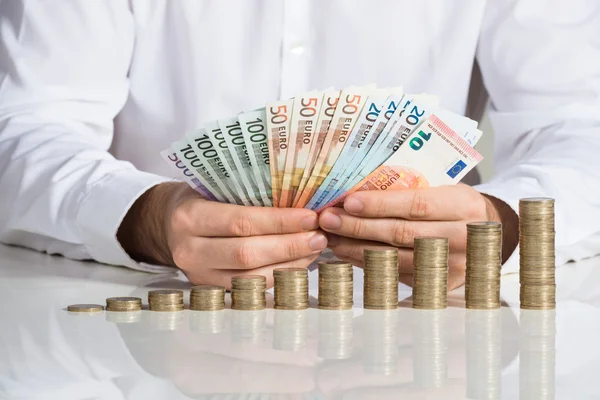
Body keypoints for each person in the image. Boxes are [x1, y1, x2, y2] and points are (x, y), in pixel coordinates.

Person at [1, 0, 599, 289]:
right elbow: (24, 126)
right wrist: (141, 218)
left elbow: (580, 123)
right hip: (134, 312)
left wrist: (504, 224)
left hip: (418, 323)